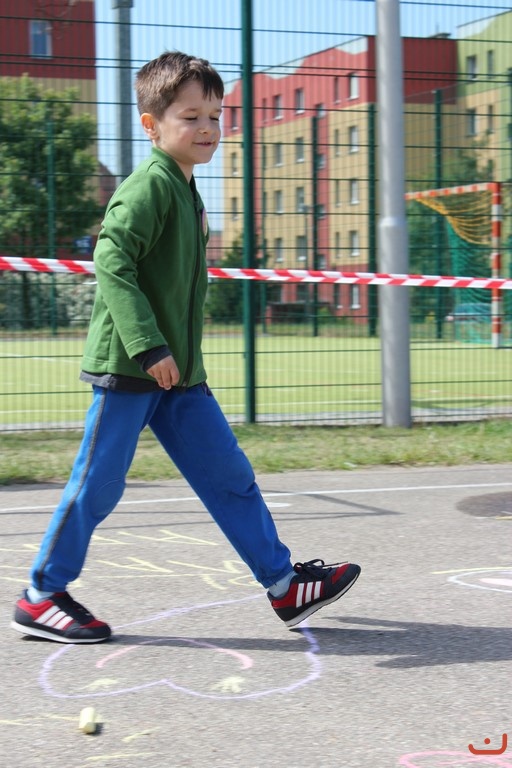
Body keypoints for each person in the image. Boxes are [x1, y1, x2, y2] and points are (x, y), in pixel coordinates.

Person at [11, 51, 360, 644]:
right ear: (151, 125)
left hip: (180, 375)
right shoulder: (148, 187)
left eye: (215, 117)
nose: (207, 128)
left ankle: (284, 585)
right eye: (190, 116)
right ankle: (41, 596)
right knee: (98, 485)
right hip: (132, 367)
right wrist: (149, 346)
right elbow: (111, 261)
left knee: (230, 476)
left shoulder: (186, 189)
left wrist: (174, 356)